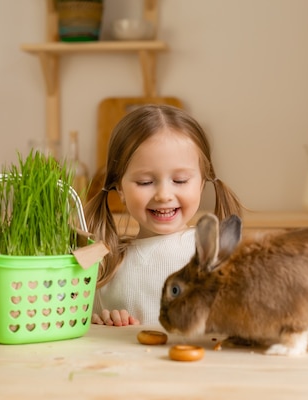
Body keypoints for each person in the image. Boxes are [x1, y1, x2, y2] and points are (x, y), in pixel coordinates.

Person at [85, 104, 243, 326]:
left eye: (179, 181)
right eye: (145, 182)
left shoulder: (215, 254)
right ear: (119, 188)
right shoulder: (105, 266)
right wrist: (103, 323)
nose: (163, 195)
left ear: (202, 184)